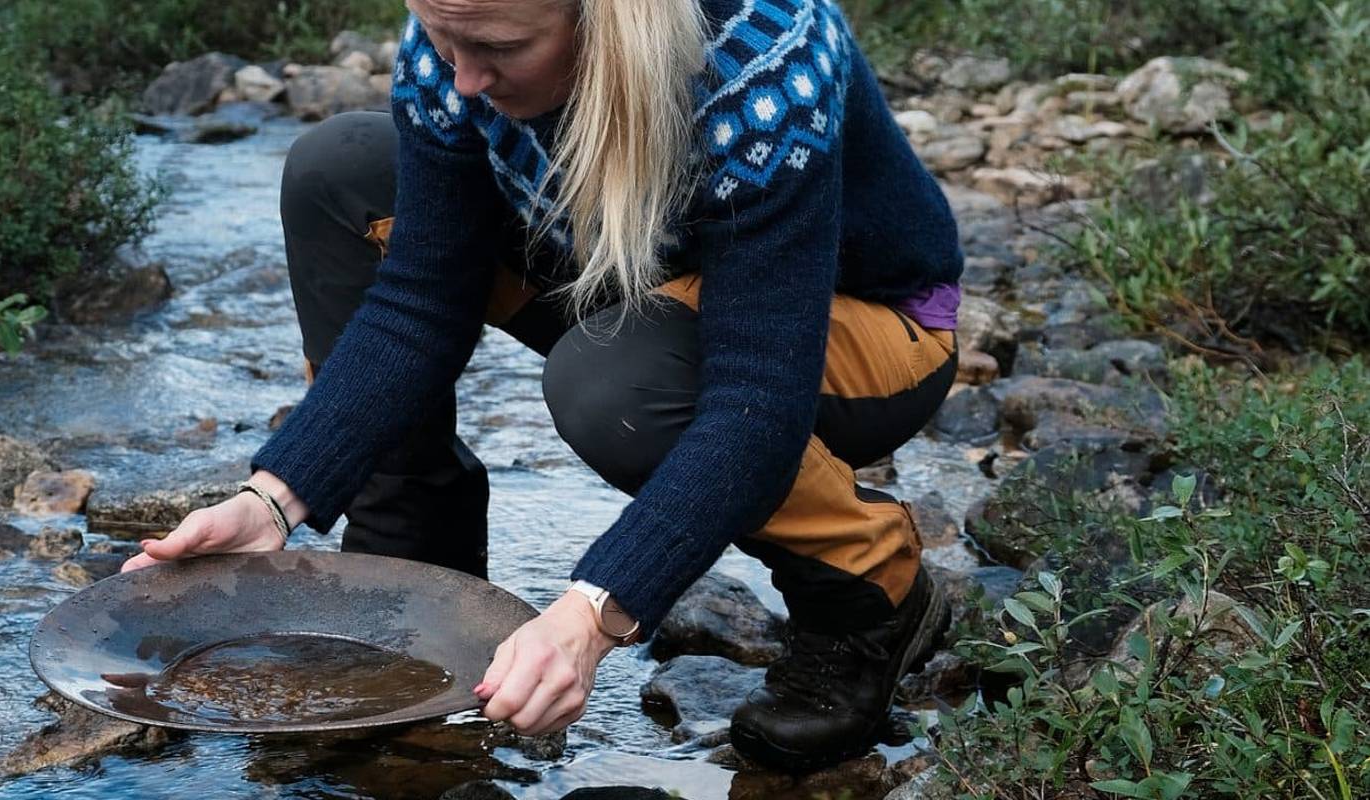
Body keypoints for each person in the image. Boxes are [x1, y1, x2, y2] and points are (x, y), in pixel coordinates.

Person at [120, 0, 963, 772]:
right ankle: (411, 576)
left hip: (859, 325)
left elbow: (758, 400)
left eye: (498, 48)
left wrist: (593, 615)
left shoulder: (763, 59)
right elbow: (420, 300)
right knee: (339, 170)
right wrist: (272, 499)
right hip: (626, 284)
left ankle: (869, 586)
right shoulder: (457, 40)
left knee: (613, 385)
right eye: (445, 40)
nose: (463, 77)